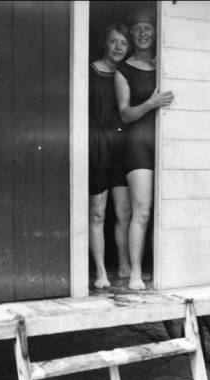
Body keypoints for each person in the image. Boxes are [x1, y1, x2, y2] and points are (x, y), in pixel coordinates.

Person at [115, 8, 174, 290]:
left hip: (162, 143)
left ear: (154, 32)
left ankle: (153, 268)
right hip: (137, 144)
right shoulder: (123, 69)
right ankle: (136, 273)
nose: (143, 32)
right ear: (132, 33)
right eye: (137, 28)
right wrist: (151, 103)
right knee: (142, 211)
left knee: (161, 211)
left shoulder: (163, 64)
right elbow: (125, 114)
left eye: (148, 27)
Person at [89, 23, 132, 289]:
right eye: (113, 41)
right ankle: (101, 272)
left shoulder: (128, 75)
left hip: (122, 147)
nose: (118, 47)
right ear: (105, 42)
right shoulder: (90, 72)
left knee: (124, 211)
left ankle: (126, 265)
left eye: (123, 43)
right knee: (97, 212)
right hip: (97, 144)